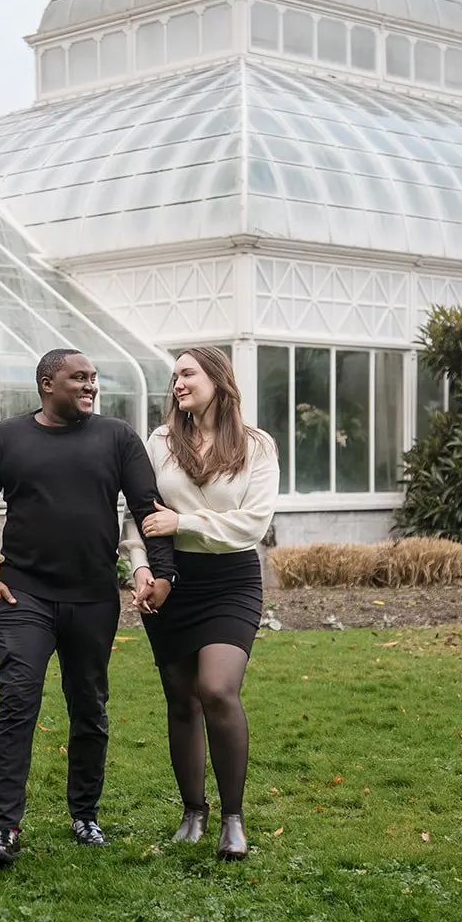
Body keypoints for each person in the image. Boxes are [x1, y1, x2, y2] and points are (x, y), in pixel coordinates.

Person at [0, 348, 176, 868]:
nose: (90, 386)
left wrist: (163, 573)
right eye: (79, 378)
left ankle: (85, 815)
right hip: (23, 596)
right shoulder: (5, 439)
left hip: (94, 598)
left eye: (94, 379)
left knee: (89, 707)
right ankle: (5, 829)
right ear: (47, 384)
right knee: (18, 702)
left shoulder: (117, 438)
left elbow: (149, 509)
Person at [121, 347, 279, 860]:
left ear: (218, 378)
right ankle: (193, 811)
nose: (178, 384)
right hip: (171, 581)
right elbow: (139, 512)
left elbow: (253, 524)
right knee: (180, 697)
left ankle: (233, 818)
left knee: (217, 689)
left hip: (231, 580)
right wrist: (141, 566)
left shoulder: (256, 446)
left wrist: (184, 522)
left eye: (187, 374)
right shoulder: (161, 442)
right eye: (174, 377)